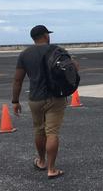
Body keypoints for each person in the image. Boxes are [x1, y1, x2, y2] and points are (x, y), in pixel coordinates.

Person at [11, 25, 77, 179]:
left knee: (39, 131)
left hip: (35, 98)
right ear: (46, 36)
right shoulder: (58, 50)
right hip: (56, 97)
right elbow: (72, 69)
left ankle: (41, 161)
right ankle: (52, 169)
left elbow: (17, 80)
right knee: (52, 132)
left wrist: (15, 101)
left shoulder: (25, 54)